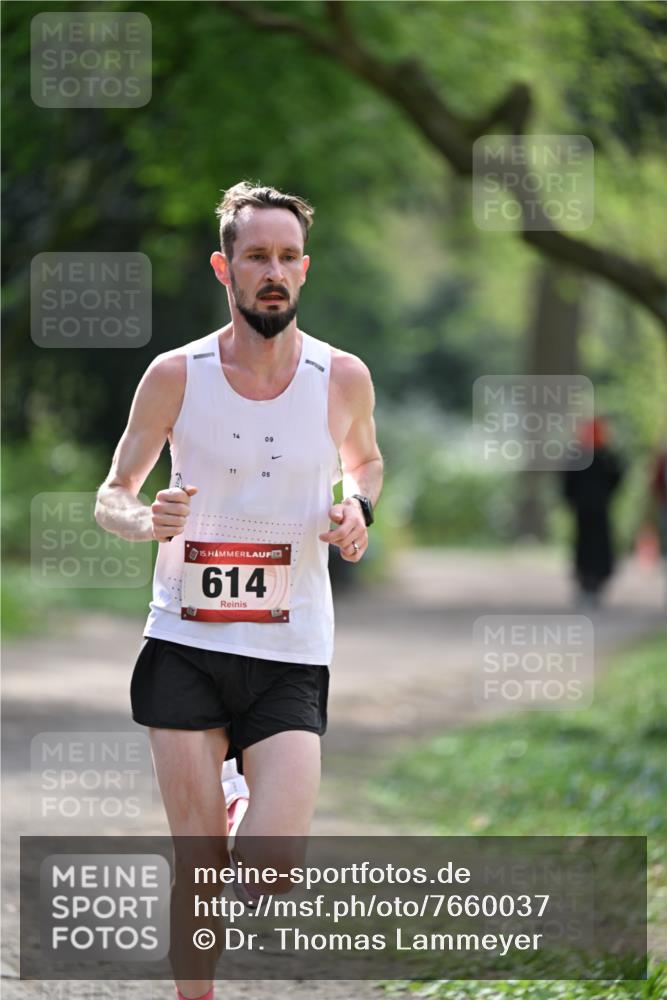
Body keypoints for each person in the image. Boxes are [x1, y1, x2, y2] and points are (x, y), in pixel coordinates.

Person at [95, 181, 383, 999]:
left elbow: (365, 460)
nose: (273, 271)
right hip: (186, 638)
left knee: (267, 872)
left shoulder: (341, 377)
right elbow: (112, 491)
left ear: (305, 271)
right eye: (256, 255)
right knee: (199, 865)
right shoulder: (174, 374)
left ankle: (235, 796)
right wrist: (144, 519)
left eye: (287, 257)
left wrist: (355, 508)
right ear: (224, 267)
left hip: (291, 649)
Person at [561, 417, 624, 608]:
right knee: (588, 545)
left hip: (594, 509)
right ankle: (587, 583)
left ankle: (593, 584)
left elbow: (567, 483)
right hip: (589, 510)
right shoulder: (595, 457)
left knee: (594, 545)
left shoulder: (602, 457)